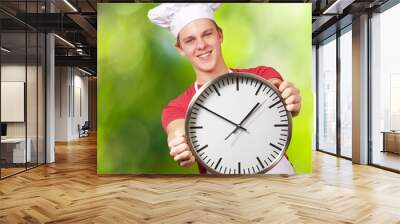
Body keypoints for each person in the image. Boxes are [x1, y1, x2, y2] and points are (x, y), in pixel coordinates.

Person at [148, 3, 301, 174]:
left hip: (278, 179)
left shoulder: (262, 74)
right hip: (223, 193)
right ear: (180, 49)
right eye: (190, 40)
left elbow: (275, 87)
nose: (201, 45)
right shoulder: (177, 107)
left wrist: (288, 97)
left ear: (220, 35)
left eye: (207, 34)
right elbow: (177, 130)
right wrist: (180, 144)